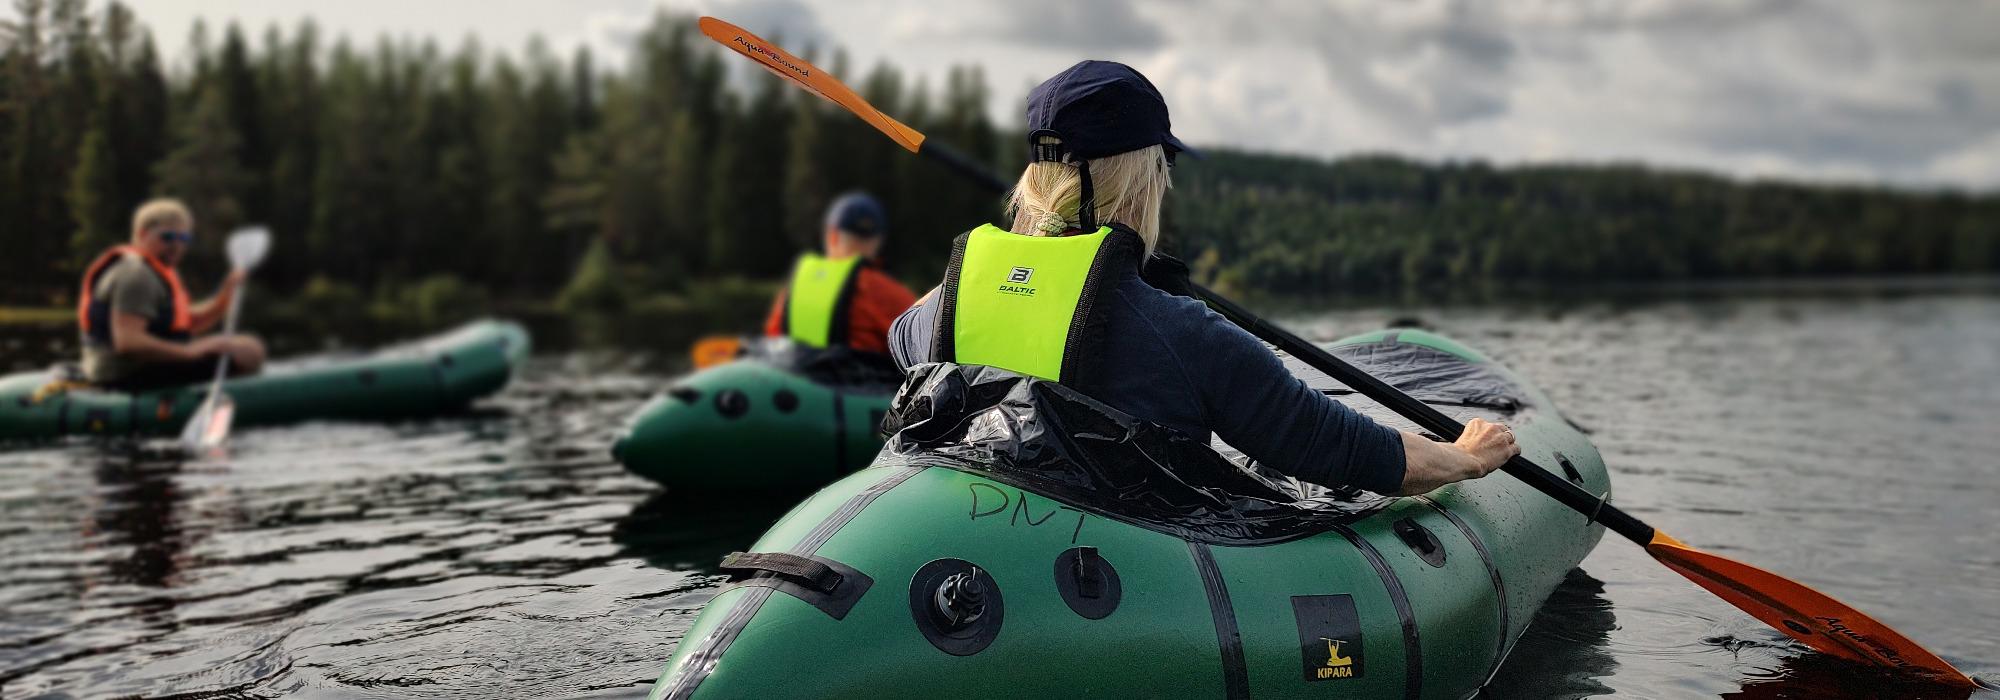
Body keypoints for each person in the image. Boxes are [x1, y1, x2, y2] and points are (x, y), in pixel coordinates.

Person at [887, 61, 1517, 496]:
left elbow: (901, 334)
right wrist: (1465, 456)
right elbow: (1342, 448)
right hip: (1124, 596)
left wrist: (1006, 266)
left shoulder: (940, 315)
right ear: (1143, 186)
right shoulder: (1185, 335)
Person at [77, 198, 265, 392]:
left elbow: (190, 324)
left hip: (144, 366)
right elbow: (128, 342)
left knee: (244, 346)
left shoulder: (156, 271)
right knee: (249, 351)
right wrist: (190, 351)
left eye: (183, 239)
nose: (176, 245)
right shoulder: (136, 275)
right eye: (167, 237)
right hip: (123, 374)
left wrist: (227, 292)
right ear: (143, 234)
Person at [762, 193, 917, 356]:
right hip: (858, 379)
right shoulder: (893, 294)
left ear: (832, 236)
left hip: (794, 376)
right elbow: (916, 346)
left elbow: (772, 337)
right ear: (877, 242)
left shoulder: (796, 285)